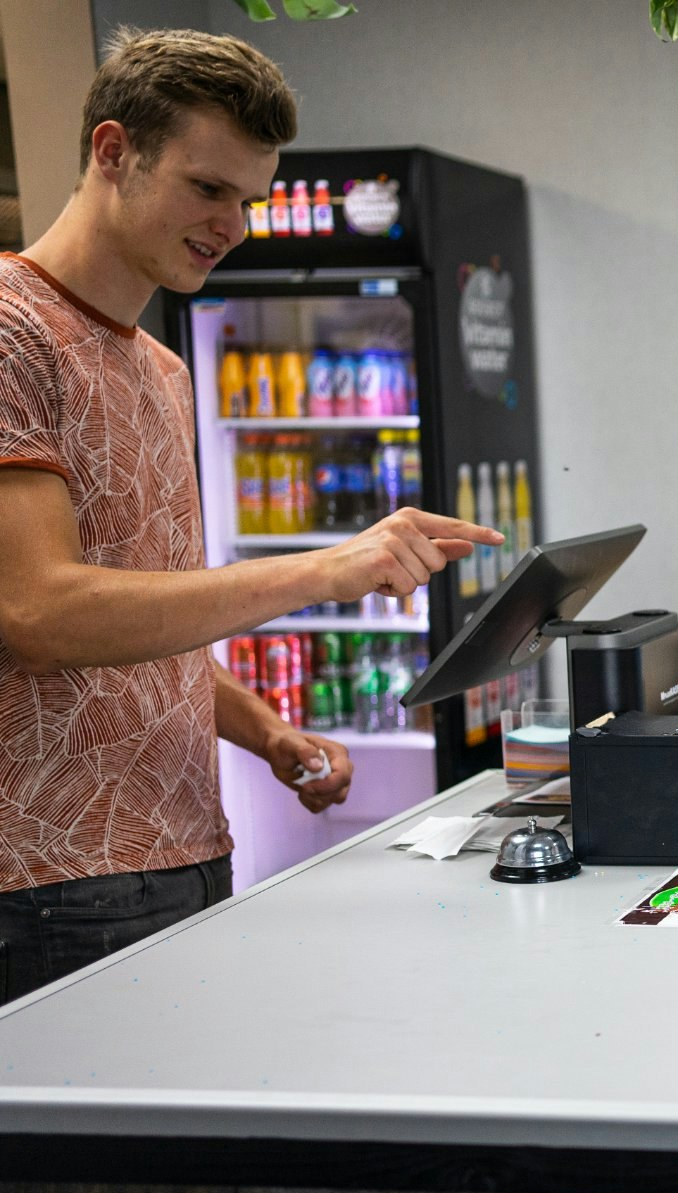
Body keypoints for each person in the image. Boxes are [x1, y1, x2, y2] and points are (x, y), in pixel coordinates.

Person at [0, 29, 500, 1004]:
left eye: (249, 199)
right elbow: (37, 612)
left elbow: (149, 623)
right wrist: (324, 570)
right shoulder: (12, 329)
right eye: (207, 188)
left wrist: (270, 734)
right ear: (112, 152)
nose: (232, 223)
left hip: (186, 850)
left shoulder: (163, 367)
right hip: (52, 886)